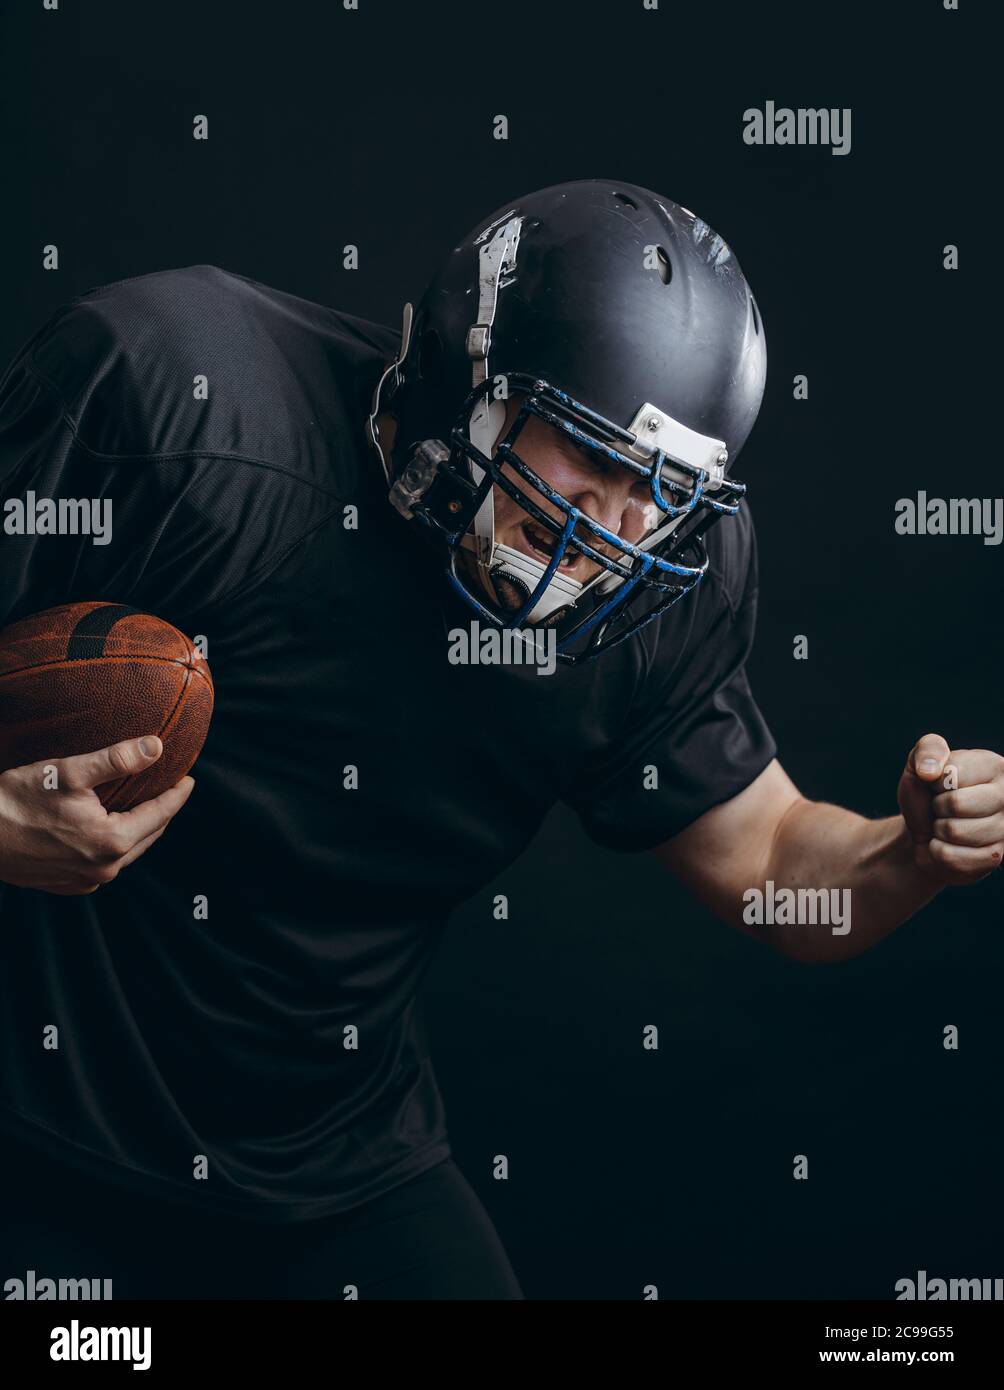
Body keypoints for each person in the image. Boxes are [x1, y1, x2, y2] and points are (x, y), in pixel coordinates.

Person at [0, 180, 1000, 1300]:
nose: (611, 532)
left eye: (659, 490)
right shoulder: (184, 405)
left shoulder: (667, 593)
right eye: (587, 455)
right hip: (34, 1135)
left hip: (332, 1160)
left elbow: (769, 864)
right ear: (464, 384)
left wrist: (907, 853)